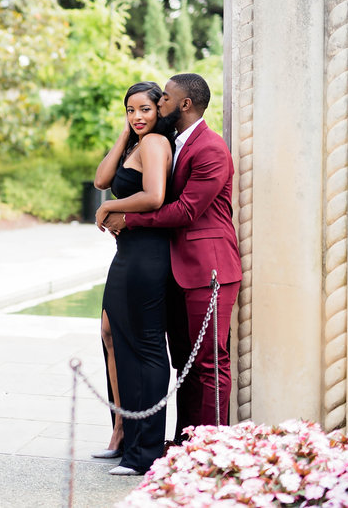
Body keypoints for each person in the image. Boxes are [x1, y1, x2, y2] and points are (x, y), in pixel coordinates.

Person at [99, 73, 242, 442]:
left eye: (164, 99)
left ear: (185, 104)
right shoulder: (173, 144)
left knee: (210, 361)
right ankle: (183, 441)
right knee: (186, 363)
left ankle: (209, 447)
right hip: (177, 269)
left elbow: (187, 210)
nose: (159, 103)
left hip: (209, 267)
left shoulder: (211, 147)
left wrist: (128, 218)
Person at [90, 81, 173, 476]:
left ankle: (146, 452)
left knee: (146, 346)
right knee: (110, 333)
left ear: (160, 110)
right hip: (128, 253)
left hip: (147, 254)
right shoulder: (137, 144)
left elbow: (155, 196)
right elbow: (100, 180)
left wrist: (109, 209)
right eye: (130, 110)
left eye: (144, 109)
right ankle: (122, 431)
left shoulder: (156, 144)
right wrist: (125, 133)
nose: (138, 116)